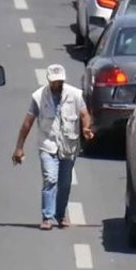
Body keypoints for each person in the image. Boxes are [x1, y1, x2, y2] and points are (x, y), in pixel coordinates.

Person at [11, 63, 94, 230]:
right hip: (47, 144)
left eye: (60, 81)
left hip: (68, 146)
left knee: (65, 183)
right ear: (49, 81)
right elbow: (27, 123)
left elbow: (84, 114)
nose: (58, 85)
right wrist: (19, 147)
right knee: (50, 179)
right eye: (54, 82)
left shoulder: (75, 95)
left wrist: (86, 128)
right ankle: (47, 217)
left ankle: (60, 215)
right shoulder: (39, 97)